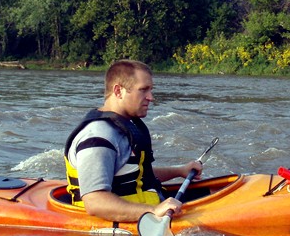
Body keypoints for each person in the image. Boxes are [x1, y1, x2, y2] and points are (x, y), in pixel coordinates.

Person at [63, 60, 203, 223]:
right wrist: (153, 211)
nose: (151, 98)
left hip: (149, 211)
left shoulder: (123, 127)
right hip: (114, 226)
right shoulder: (97, 137)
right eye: (143, 90)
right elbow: (94, 202)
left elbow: (135, 174)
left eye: (151, 90)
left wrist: (180, 171)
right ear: (118, 91)